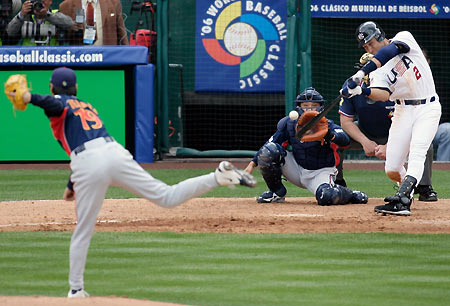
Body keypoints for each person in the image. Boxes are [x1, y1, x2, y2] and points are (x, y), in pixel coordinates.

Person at [5, 67, 256, 298]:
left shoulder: (57, 102)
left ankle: (76, 289)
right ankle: (218, 176)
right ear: (76, 88)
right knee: (166, 196)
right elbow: (88, 143)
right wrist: (71, 186)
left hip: (89, 161)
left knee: (83, 229)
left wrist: (28, 97)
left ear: (52, 87)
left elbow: (53, 105)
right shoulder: (85, 104)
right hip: (114, 151)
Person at [342, 21, 441, 216]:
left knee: (418, 150)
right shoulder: (378, 71)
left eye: (370, 43)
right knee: (392, 167)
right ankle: (406, 193)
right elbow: (383, 94)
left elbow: (389, 52)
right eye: (365, 46)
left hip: (427, 106)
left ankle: (403, 198)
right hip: (403, 111)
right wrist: (361, 90)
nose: (369, 48)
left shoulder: (404, 38)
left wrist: (361, 72)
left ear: (380, 36)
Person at [244, 87, 368, 206]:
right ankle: (276, 192)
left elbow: (345, 141)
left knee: (327, 196)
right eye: (305, 106)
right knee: (269, 151)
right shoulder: (289, 124)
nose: (309, 109)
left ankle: (350, 194)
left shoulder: (327, 125)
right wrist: (251, 165)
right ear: (299, 108)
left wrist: (329, 135)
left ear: (321, 108)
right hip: (296, 168)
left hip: (320, 173)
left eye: (314, 106)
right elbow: (269, 144)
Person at [59, 0, 129, 45]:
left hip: (108, 58)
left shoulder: (113, 2)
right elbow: (62, 37)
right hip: (80, 59)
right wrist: (72, 28)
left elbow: (121, 32)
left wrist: (128, 55)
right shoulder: (66, 5)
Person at [7, 0, 73, 45]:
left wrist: (47, 15)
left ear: (50, 1)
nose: (40, 5)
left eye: (43, 1)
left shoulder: (55, 14)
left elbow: (70, 23)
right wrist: (21, 15)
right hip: (28, 57)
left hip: (52, 57)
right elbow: (9, 32)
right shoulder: (25, 17)